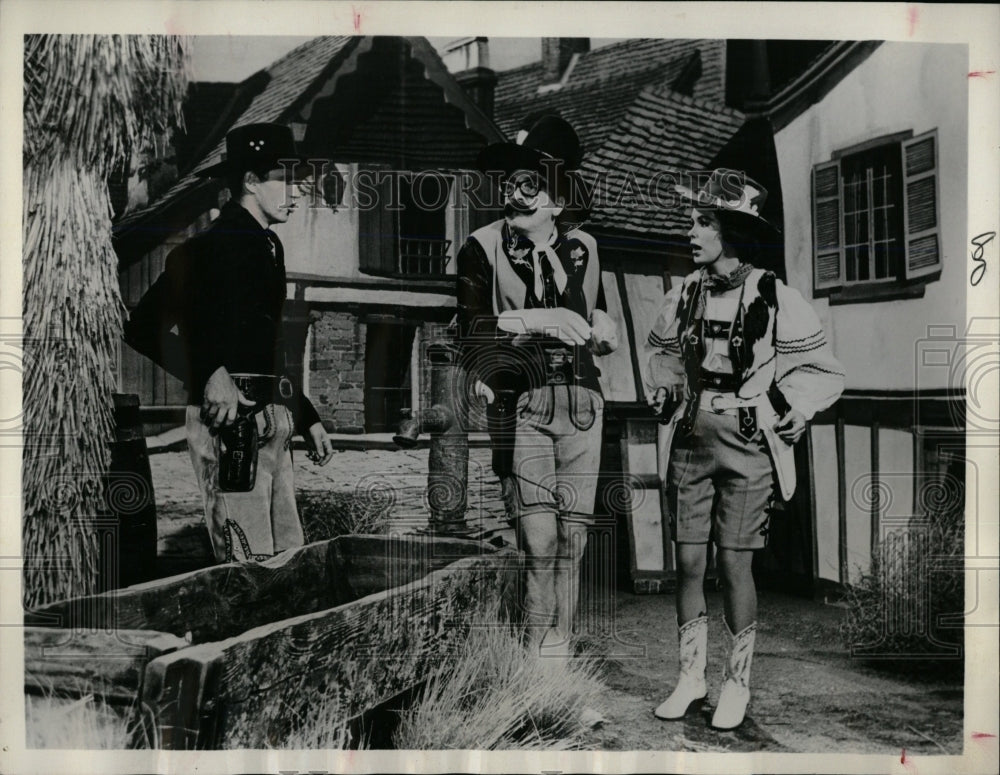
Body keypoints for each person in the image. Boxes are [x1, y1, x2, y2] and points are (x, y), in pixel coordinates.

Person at [643, 168, 844, 729]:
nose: (692, 233)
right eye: (692, 221)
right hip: (690, 436)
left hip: (749, 441)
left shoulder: (774, 295)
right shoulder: (682, 293)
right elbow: (660, 355)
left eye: (703, 223)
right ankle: (689, 680)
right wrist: (667, 391)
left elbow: (819, 368)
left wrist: (797, 410)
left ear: (729, 231)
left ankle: (736, 685)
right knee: (687, 562)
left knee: (734, 564)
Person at [124, 122, 333, 564]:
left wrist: (306, 414)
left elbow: (270, 349)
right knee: (245, 561)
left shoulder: (269, 247)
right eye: (286, 180)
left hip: (275, 422)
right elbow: (142, 327)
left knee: (288, 559)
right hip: (228, 423)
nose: (296, 192)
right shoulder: (205, 250)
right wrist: (206, 374)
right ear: (251, 182)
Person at [457, 114, 618, 657]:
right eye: (509, 182)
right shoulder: (480, 247)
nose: (512, 193)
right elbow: (472, 328)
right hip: (523, 402)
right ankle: (532, 663)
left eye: (528, 183)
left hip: (583, 404)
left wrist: (604, 328)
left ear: (556, 198)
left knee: (573, 541)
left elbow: (595, 310)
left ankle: (559, 661)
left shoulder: (586, 249)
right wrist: (536, 320)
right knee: (540, 541)